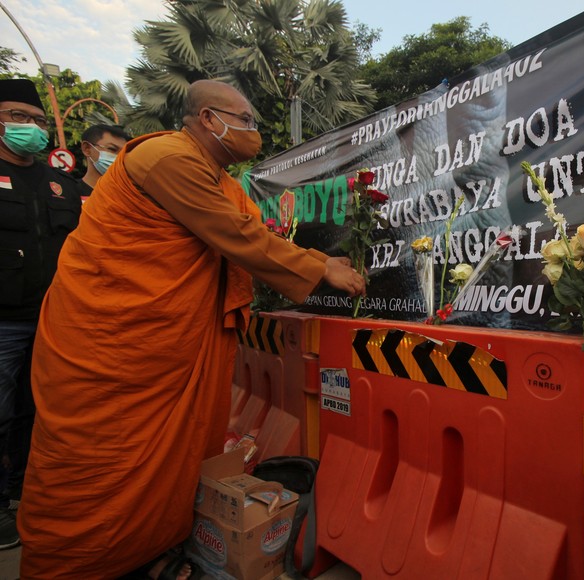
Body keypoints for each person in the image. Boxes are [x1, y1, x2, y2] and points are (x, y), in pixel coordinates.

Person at [17, 79, 366, 578]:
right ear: (207, 119)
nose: (253, 131)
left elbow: (253, 233)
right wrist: (320, 269)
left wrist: (310, 257)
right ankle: (76, 564)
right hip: (112, 345)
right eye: (244, 120)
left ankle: (145, 551)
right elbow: (236, 236)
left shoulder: (221, 181)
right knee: (96, 465)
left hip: (165, 347)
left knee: (169, 463)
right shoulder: (167, 158)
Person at [0, 78, 85, 551]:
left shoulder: (61, 185)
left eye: (34, 120)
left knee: (45, 412)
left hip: (55, 320)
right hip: (4, 320)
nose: (28, 128)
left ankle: (28, 495)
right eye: (17, 117)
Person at [78, 123, 130, 199]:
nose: (119, 157)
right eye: (112, 149)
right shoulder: (69, 193)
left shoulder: (128, 197)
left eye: (123, 153)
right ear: (87, 149)